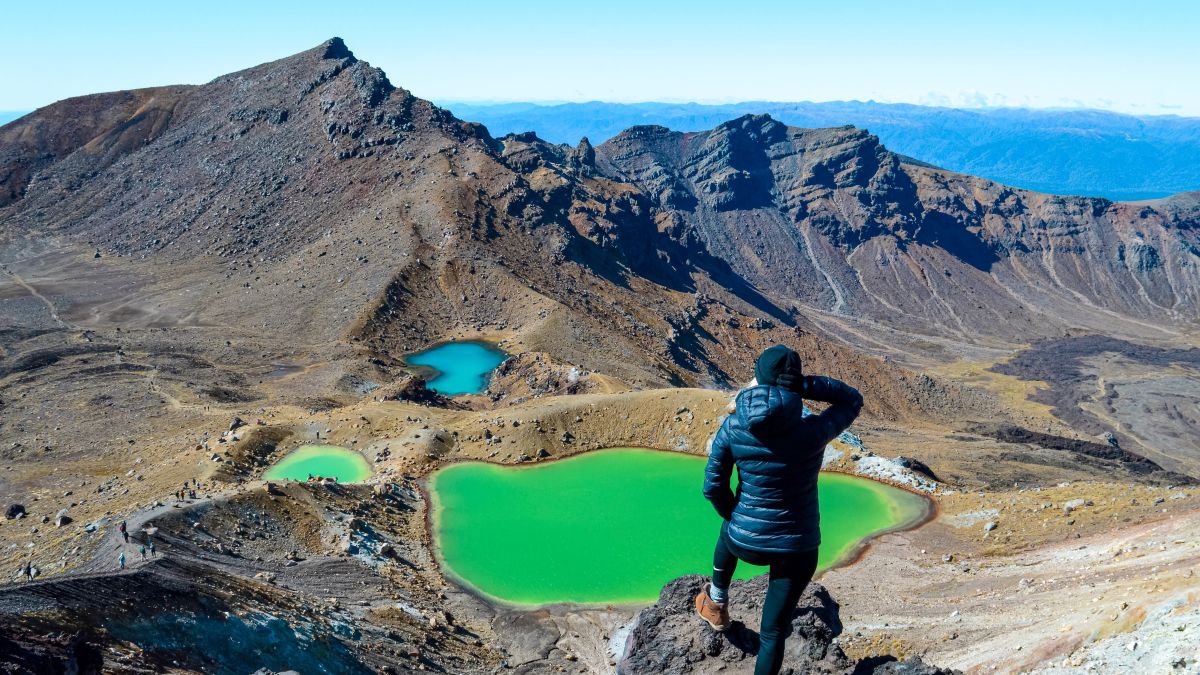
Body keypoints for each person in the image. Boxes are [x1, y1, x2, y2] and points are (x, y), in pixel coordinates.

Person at [696, 344, 863, 675]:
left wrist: (737, 516)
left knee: (727, 528)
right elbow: (851, 400)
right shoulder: (813, 430)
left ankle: (716, 602)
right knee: (773, 633)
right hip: (796, 548)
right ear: (791, 382)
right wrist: (804, 384)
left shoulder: (733, 427)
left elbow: (713, 488)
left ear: (757, 378)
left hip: (744, 543)